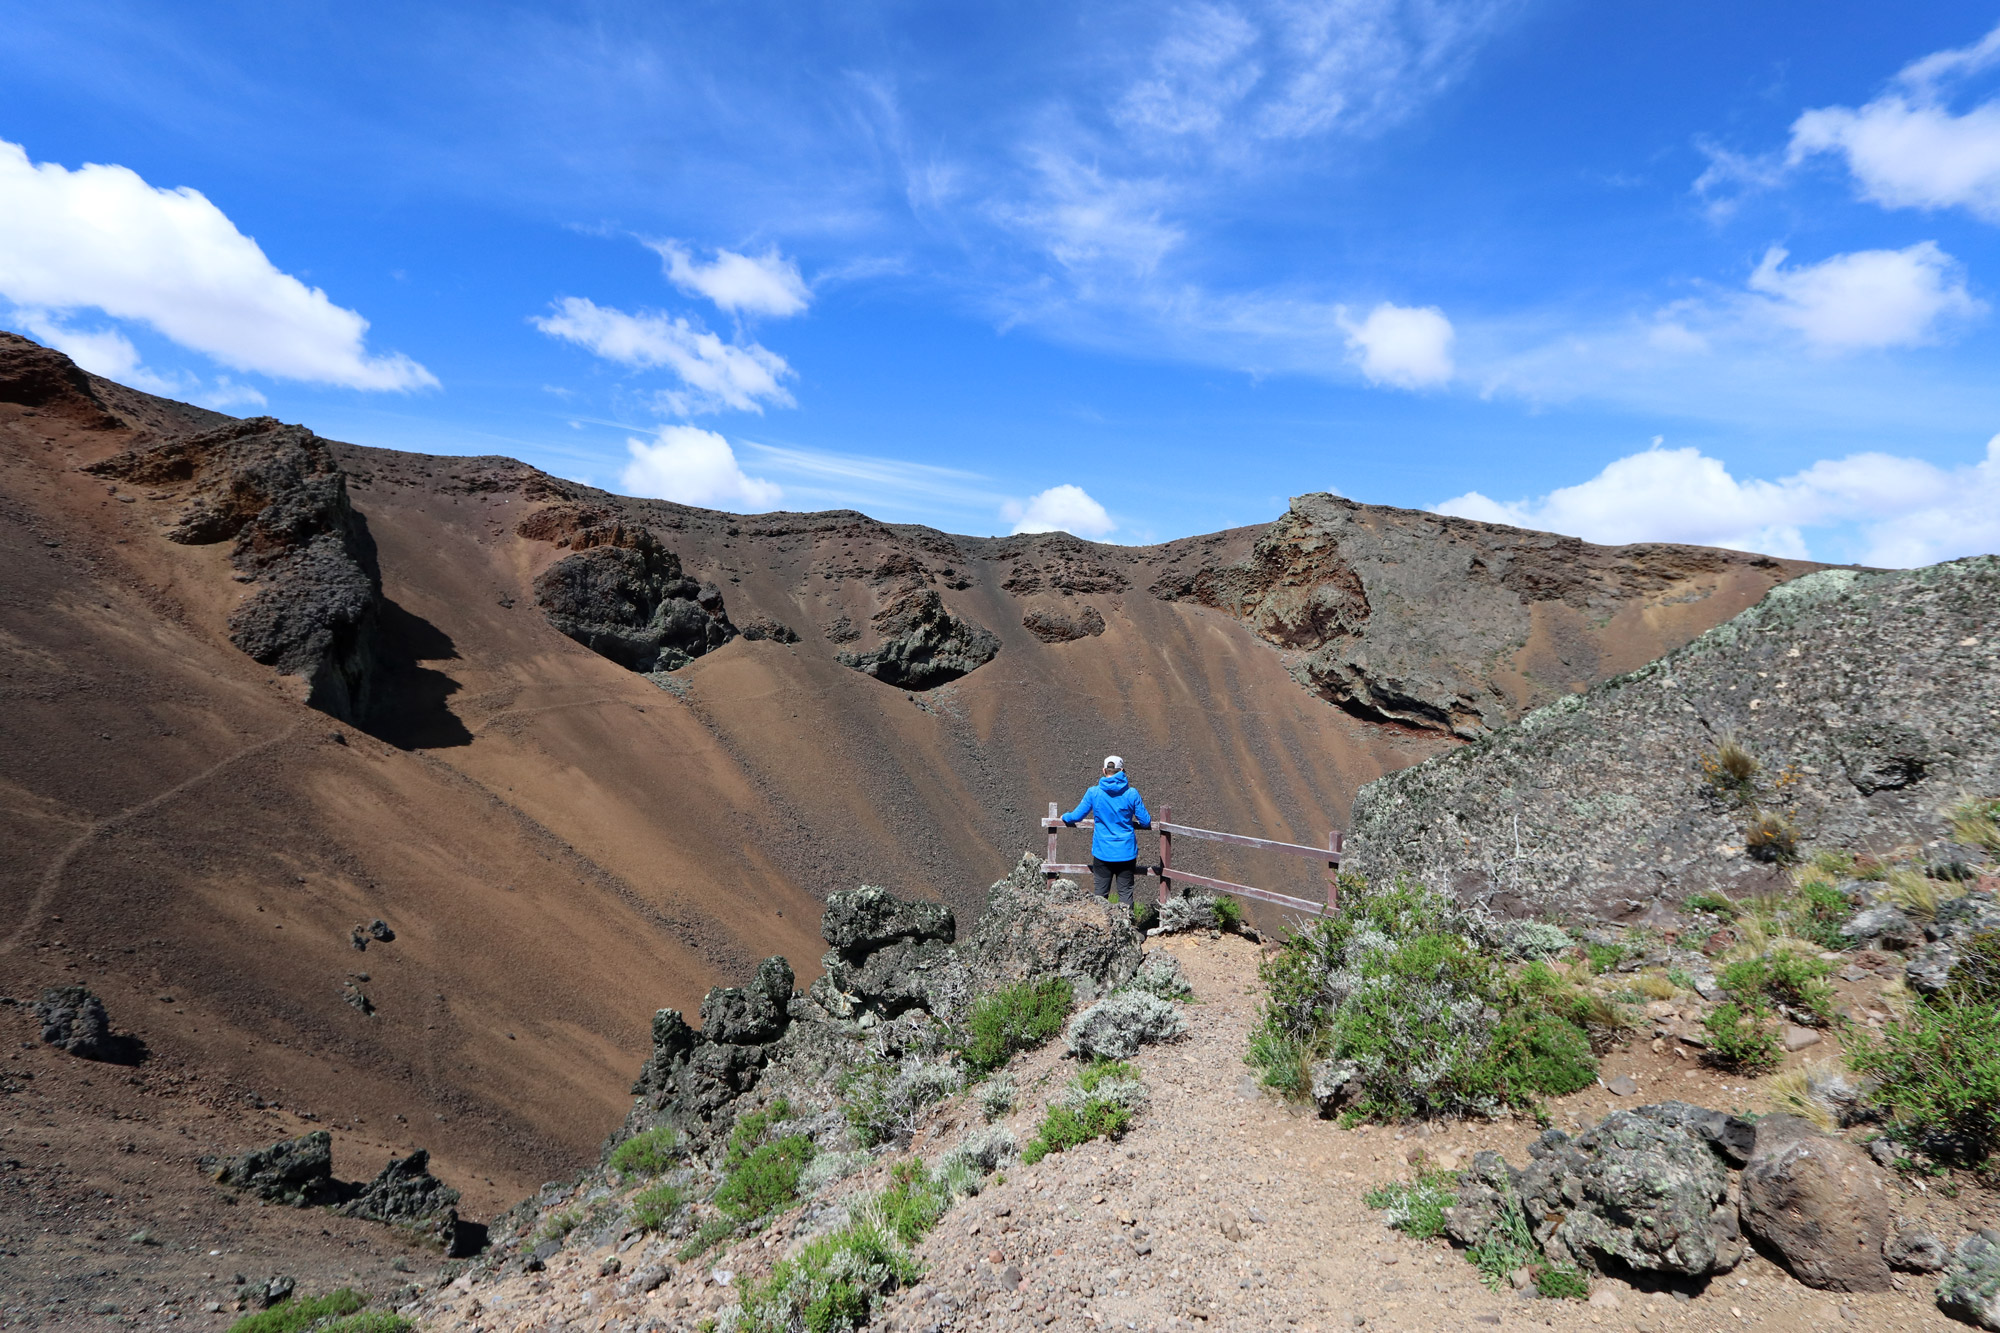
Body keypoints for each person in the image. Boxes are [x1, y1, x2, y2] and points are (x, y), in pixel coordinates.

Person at [1062, 755, 1152, 910]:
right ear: (1122, 770)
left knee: (1100, 896)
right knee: (1125, 895)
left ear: (1104, 771)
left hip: (1102, 852)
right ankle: (1126, 928)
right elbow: (1145, 821)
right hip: (1126, 853)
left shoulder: (1093, 793)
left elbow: (1076, 817)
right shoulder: (1132, 793)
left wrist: (1064, 816)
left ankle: (1103, 931)